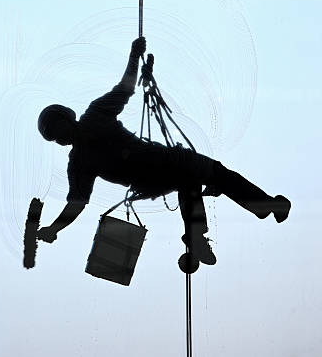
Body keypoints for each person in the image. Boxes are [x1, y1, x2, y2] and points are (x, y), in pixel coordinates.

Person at [37, 37, 290, 269]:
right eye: (54, 136)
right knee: (214, 174)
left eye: (55, 132)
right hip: (160, 163)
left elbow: (125, 89)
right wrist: (54, 228)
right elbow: (77, 203)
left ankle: (197, 234)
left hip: (151, 180)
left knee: (190, 180)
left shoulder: (84, 147)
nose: (58, 138)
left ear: (65, 121)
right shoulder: (84, 147)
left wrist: (54, 229)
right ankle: (258, 209)